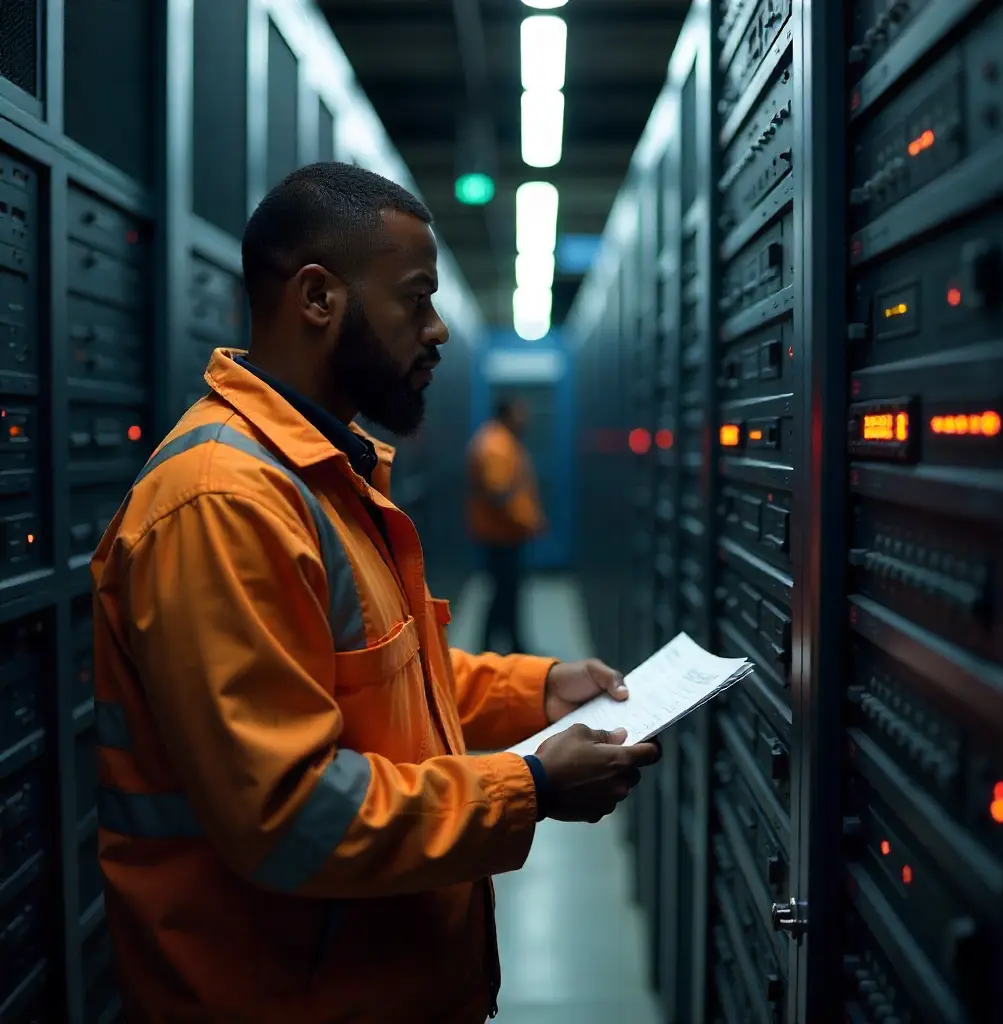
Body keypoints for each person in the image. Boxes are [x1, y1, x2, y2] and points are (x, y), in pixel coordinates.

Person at [90, 162, 660, 1024]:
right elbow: (289, 812)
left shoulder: (320, 478)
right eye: (414, 298)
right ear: (318, 298)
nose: (435, 330)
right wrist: (530, 785)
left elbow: (385, 688)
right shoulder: (224, 504)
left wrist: (537, 690)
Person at [466, 397, 546, 653]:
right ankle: (495, 648)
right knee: (504, 593)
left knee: (507, 593)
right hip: (502, 535)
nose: (526, 419)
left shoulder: (500, 441)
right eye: (521, 413)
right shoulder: (496, 446)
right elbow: (498, 494)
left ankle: (510, 644)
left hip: (505, 533)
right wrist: (528, 521)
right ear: (507, 414)